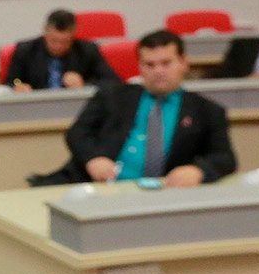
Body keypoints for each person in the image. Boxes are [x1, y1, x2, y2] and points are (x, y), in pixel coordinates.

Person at [31, 30, 236, 187]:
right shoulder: (112, 95)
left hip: (161, 193)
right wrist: (93, 159)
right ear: (140, 66)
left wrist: (199, 171)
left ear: (184, 63)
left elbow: (225, 158)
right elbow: (77, 133)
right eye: (150, 64)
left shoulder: (207, 111)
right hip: (98, 186)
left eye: (166, 63)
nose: (158, 71)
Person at [4, 10, 121, 91]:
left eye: (65, 42)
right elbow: (12, 80)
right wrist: (19, 85)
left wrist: (84, 84)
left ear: (73, 35)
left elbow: (112, 81)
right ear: (45, 31)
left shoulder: (87, 51)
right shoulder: (25, 50)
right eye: (53, 40)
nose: (58, 46)